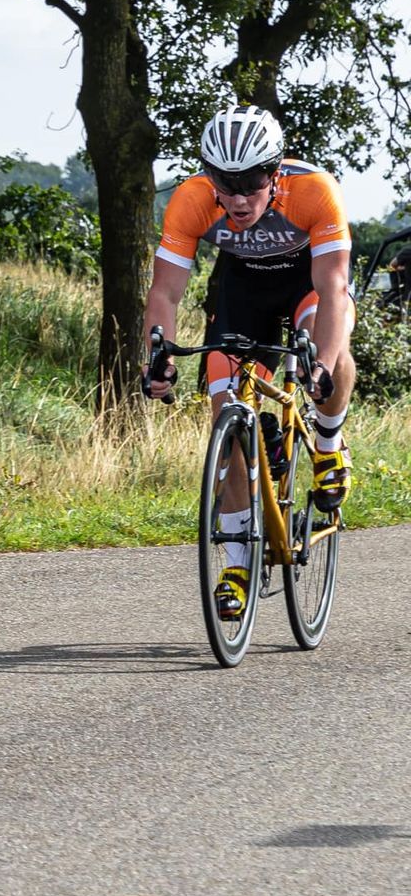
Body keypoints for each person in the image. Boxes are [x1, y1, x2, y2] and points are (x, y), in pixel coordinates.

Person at [143, 106, 354, 619]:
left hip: (306, 283)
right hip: (242, 291)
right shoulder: (191, 200)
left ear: (275, 171)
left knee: (326, 349)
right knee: (226, 416)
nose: (238, 198)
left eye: (252, 182)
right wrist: (157, 357)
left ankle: (327, 444)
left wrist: (321, 363)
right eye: (225, 183)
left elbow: (332, 289)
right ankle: (236, 563)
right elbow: (165, 294)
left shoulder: (314, 190)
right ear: (208, 176)